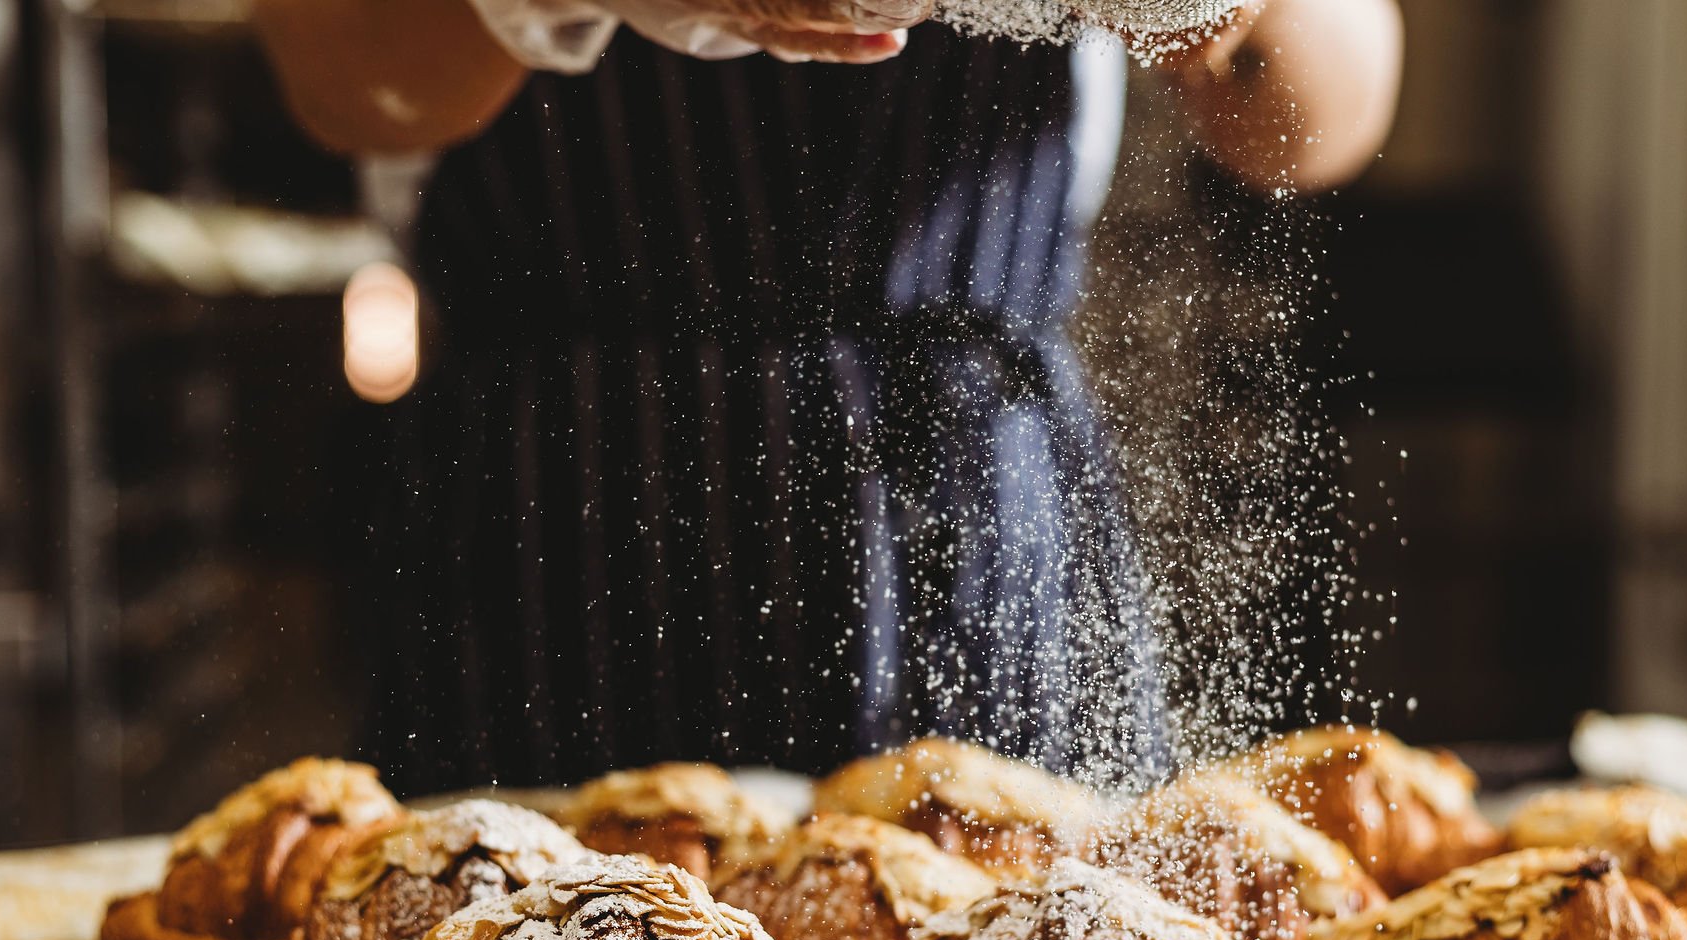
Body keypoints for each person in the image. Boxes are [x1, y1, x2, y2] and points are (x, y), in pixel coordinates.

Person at [253, 0, 1402, 794]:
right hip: (570, 500)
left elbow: (1320, 116)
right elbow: (340, 77)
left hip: (978, 507)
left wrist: (1230, 13)